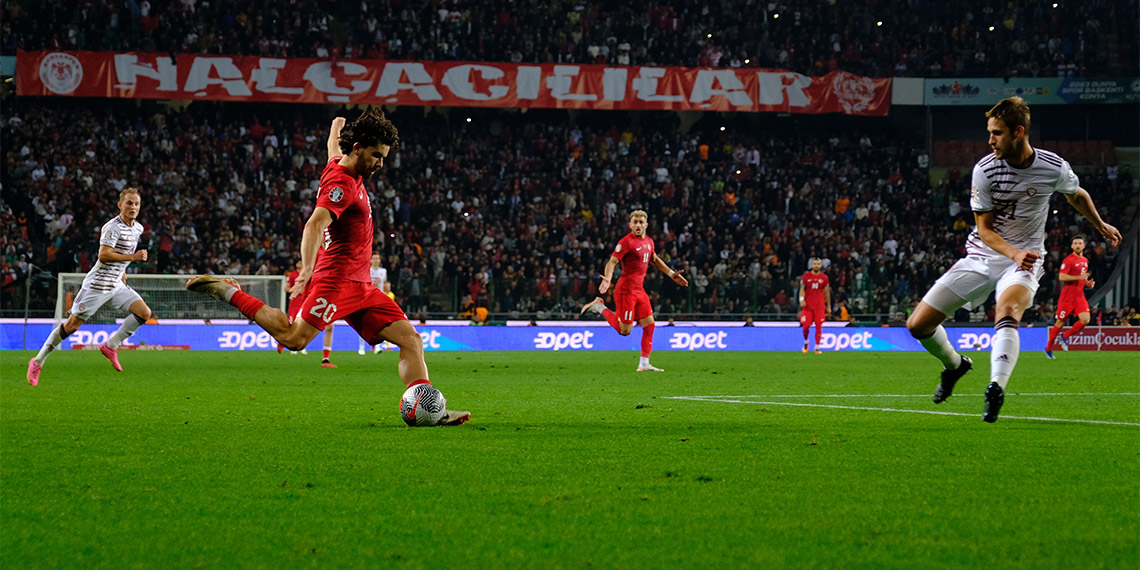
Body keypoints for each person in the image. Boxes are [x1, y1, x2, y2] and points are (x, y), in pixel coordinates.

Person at [186, 110, 468, 426]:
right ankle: (230, 293)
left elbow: (334, 149)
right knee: (293, 339)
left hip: (362, 286)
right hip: (336, 281)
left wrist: (336, 127)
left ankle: (431, 410)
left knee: (411, 340)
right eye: (377, 155)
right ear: (358, 148)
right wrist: (307, 269)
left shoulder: (340, 164)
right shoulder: (342, 184)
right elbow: (314, 224)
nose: (380, 163)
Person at [906, 97, 1121, 422]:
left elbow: (1076, 195)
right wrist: (1013, 252)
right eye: (990, 132)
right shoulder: (985, 170)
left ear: (1018, 132)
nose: (990, 140)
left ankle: (996, 386)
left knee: (1007, 311)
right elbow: (985, 230)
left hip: (1026, 260)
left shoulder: (1053, 166)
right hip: (983, 255)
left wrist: (1100, 224)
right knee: (917, 325)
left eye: (997, 133)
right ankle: (955, 365)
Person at [27, 188, 153, 385]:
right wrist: (133, 257)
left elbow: (122, 251)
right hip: (97, 286)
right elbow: (104, 254)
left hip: (116, 285)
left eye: (136, 204)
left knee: (144, 312)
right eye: (129, 203)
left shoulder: (138, 228)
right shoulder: (112, 227)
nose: (133, 207)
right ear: (120, 205)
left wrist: (123, 271)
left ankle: (111, 346)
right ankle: (37, 362)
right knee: (71, 326)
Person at [581, 210, 689, 371]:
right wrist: (608, 278)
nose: (638, 225)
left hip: (639, 291)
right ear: (630, 225)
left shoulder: (649, 242)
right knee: (624, 331)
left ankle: (644, 363)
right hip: (626, 291)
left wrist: (671, 273)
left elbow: (654, 259)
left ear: (646, 224)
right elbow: (612, 261)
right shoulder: (626, 242)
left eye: (641, 222)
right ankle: (599, 306)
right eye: (635, 222)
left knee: (650, 324)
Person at [1046, 235, 1095, 358]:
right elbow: (1062, 277)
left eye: (1080, 243)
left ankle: (1065, 336)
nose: (1078, 245)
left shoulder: (1085, 260)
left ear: (1084, 246)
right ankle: (1048, 349)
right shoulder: (1068, 260)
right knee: (1060, 322)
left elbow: (1082, 277)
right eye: (1075, 243)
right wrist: (1079, 277)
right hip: (1067, 297)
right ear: (1072, 246)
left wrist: (1087, 283)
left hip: (1079, 296)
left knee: (1085, 320)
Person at [286, 259, 336, 365]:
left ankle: (326, 358)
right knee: (298, 325)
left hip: (329, 295)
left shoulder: (331, 260)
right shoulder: (310, 267)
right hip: (309, 301)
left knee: (330, 327)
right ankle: (292, 345)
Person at [799, 258, 831, 354]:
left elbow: (826, 292)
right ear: (811, 265)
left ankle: (817, 347)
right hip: (808, 306)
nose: (816, 265)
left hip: (819, 306)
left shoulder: (824, 278)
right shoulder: (806, 277)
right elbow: (802, 289)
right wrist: (801, 299)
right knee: (806, 326)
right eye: (814, 264)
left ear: (821, 266)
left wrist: (828, 306)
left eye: (818, 264)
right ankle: (806, 342)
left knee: (818, 326)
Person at [360, 251, 388, 355]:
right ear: (370, 260)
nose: (376, 260)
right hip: (367, 298)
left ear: (380, 260)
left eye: (377, 258)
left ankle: (377, 346)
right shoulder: (366, 270)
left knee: (378, 323)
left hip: (378, 299)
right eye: (374, 258)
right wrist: (372, 283)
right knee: (363, 323)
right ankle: (361, 347)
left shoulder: (383, 271)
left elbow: (385, 284)